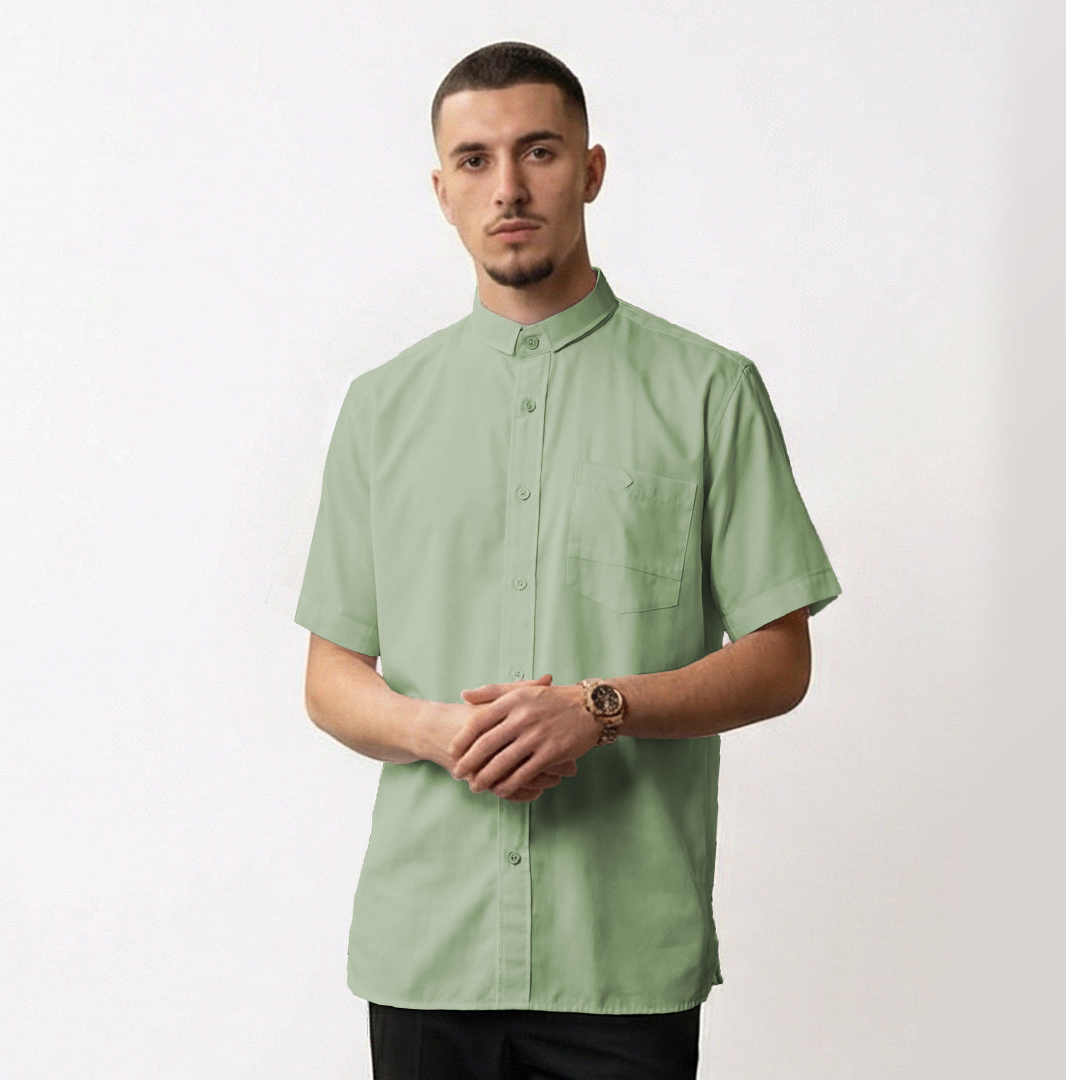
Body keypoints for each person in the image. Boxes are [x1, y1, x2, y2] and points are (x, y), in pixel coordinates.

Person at [294, 40, 842, 1080]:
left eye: (538, 152)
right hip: (426, 954)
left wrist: (600, 707)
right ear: (442, 190)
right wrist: (438, 731)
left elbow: (781, 660)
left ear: (590, 170)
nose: (507, 187)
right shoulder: (379, 410)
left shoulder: (709, 391)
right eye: (474, 160)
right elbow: (330, 676)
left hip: (621, 959)